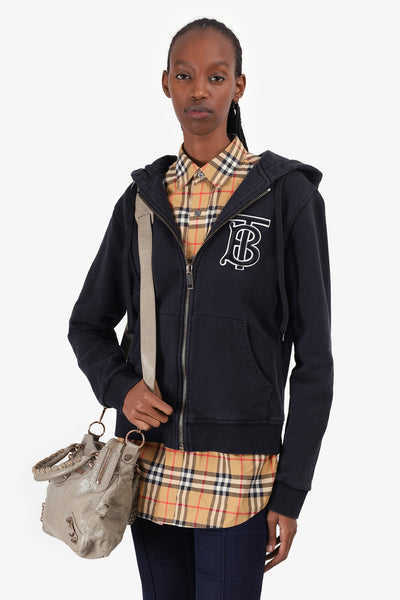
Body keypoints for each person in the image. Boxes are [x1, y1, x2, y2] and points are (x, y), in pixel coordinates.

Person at [68, 17, 334, 600]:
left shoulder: (286, 196)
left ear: (239, 85)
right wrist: (121, 389)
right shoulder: (141, 202)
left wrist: (292, 491)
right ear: (165, 83)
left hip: (243, 477)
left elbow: (315, 360)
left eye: (216, 77)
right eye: (185, 76)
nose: (199, 91)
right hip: (150, 467)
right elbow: (87, 323)